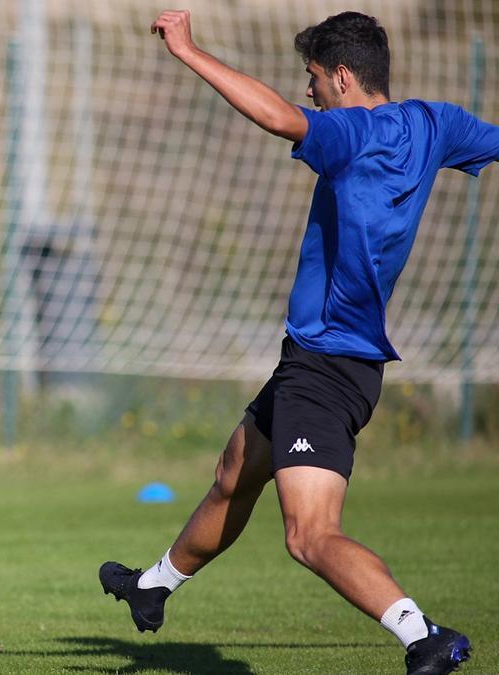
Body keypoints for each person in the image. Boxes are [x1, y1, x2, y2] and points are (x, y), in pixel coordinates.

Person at [100, 10, 495, 675]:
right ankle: (153, 587)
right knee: (234, 473)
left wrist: (190, 52)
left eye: (313, 77)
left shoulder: (352, 131)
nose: (308, 89)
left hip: (330, 365)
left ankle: (423, 634)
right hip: (313, 359)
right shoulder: (436, 124)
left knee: (310, 534)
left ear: (342, 76)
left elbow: (283, 119)